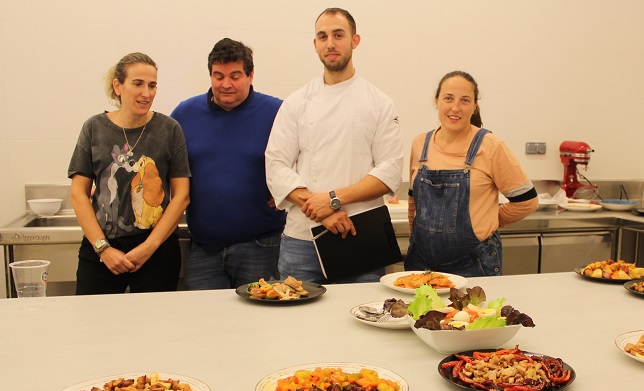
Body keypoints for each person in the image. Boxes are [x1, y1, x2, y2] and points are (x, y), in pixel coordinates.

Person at [265, 7, 403, 284]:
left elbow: (390, 173)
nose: (330, 43)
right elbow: (276, 165)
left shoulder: (379, 103)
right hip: (301, 239)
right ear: (315, 44)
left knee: (362, 320)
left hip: (358, 234)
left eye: (338, 35)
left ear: (355, 40)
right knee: (297, 323)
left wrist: (333, 200)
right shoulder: (296, 103)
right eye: (322, 36)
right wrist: (322, 211)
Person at [68, 52, 191, 294]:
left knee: (154, 328)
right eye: (138, 84)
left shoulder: (169, 129)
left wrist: (149, 247)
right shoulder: (94, 128)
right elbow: (78, 194)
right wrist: (103, 249)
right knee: (93, 325)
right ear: (118, 86)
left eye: (152, 85)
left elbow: (182, 195)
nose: (146, 93)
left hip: (157, 250)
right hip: (102, 248)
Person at [171, 38, 285, 289]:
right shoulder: (184, 114)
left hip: (261, 247)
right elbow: (162, 165)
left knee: (260, 324)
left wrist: (288, 192)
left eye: (235, 76)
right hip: (204, 249)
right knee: (205, 325)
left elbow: (308, 157)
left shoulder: (278, 112)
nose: (226, 85)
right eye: (218, 76)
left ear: (251, 74)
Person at [404, 71, 539, 277]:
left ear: (474, 105)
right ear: (436, 101)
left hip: (473, 264)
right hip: (421, 264)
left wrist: (488, 223)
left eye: (465, 100)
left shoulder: (491, 147)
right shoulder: (419, 144)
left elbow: (527, 201)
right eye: (448, 98)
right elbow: (414, 200)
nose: (455, 107)